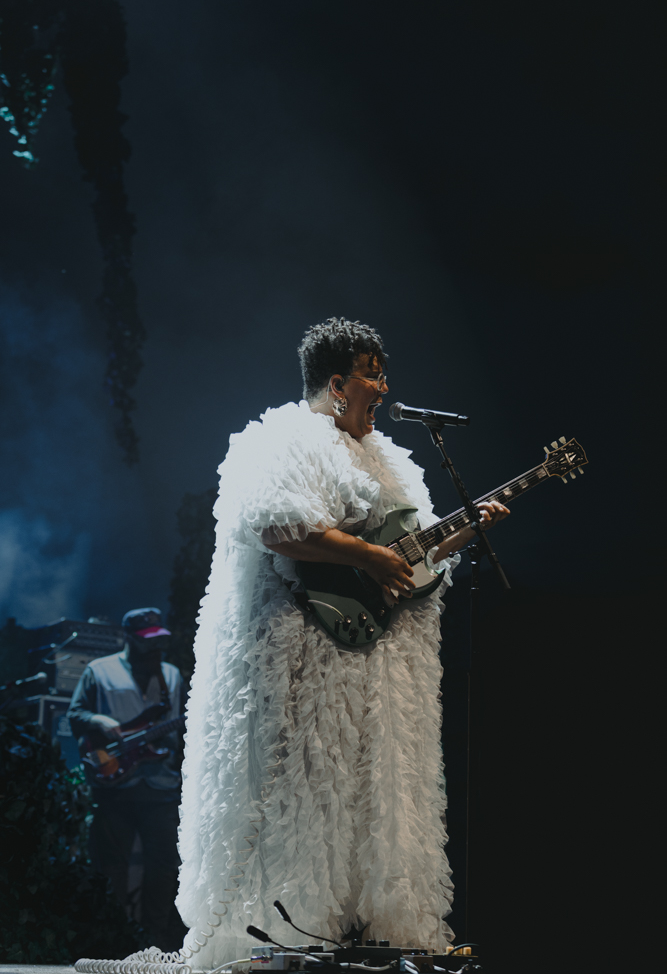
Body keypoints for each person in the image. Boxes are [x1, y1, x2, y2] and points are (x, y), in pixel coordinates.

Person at [176, 318, 509, 966]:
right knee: (305, 794)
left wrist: (467, 529)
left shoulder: (392, 461)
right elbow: (279, 527)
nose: (383, 388)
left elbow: (410, 553)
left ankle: (370, 935)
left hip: (377, 664)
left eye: (383, 374)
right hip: (306, 654)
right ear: (336, 383)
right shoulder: (282, 441)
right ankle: (290, 936)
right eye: (371, 375)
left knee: (372, 798)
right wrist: (367, 557)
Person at [68, 607, 186, 952]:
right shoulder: (98, 670)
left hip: (161, 786)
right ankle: (112, 939)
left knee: (164, 865)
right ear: (128, 639)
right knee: (110, 866)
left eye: (158, 641)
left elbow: (180, 726)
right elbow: (75, 714)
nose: (155, 648)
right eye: (147, 641)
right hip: (115, 786)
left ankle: (155, 942)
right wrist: (99, 720)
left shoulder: (171, 675)